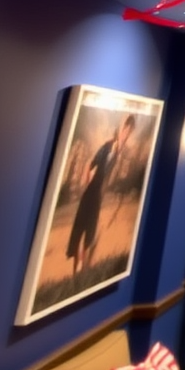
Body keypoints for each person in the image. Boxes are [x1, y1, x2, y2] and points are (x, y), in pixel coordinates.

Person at [66, 113, 134, 280]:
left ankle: (83, 269)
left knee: (91, 232)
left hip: (103, 197)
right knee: (80, 228)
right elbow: (91, 165)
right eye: (125, 129)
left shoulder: (124, 154)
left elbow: (123, 177)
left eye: (129, 131)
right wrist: (86, 177)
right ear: (120, 129)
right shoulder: (107, 147)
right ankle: (77, 270)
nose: (126, 133)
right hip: (91, 193)